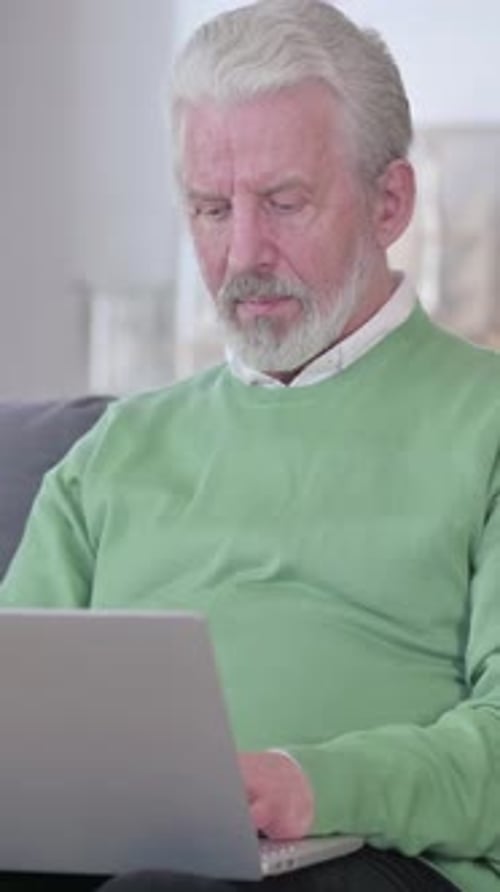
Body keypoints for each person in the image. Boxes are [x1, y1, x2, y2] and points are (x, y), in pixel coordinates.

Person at [1, 1, 500, 891]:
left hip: (371, 859)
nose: (241, 255)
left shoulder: (484, 422)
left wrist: (316, 784)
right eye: (209, 208)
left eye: (283, 203)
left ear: (389, 202)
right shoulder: (115, 453)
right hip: (116, 854)